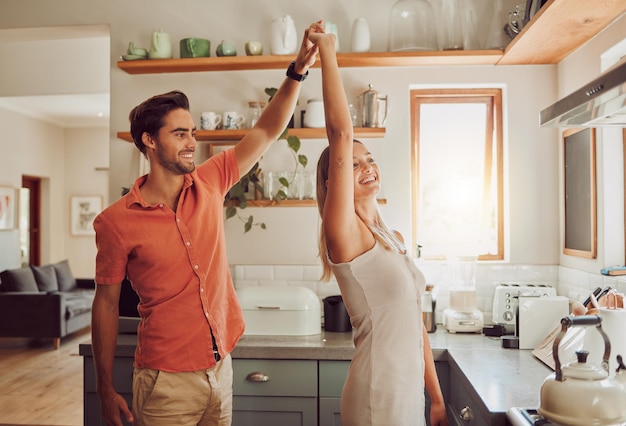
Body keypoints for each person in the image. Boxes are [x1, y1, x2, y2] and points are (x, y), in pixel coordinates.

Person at [90, 29, 318, 426]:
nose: (192, 142)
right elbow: (106, 305)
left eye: (192, 132)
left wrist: (296, 71)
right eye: (179, 134)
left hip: (220, 368)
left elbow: (265, 130)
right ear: (149, 140)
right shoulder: (116, 221)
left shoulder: (211, 180)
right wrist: (105, 389)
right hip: (165, 382)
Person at [307, 21, 448, 426]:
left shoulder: (394, 237)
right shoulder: (344, 234)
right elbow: (340, 131)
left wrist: (435, 397)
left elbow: (414, 323)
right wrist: (328, 51)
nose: (366, 166)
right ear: (333, 183)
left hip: (408, 393)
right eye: (352, 163)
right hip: (376, 394)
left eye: (369, 159)